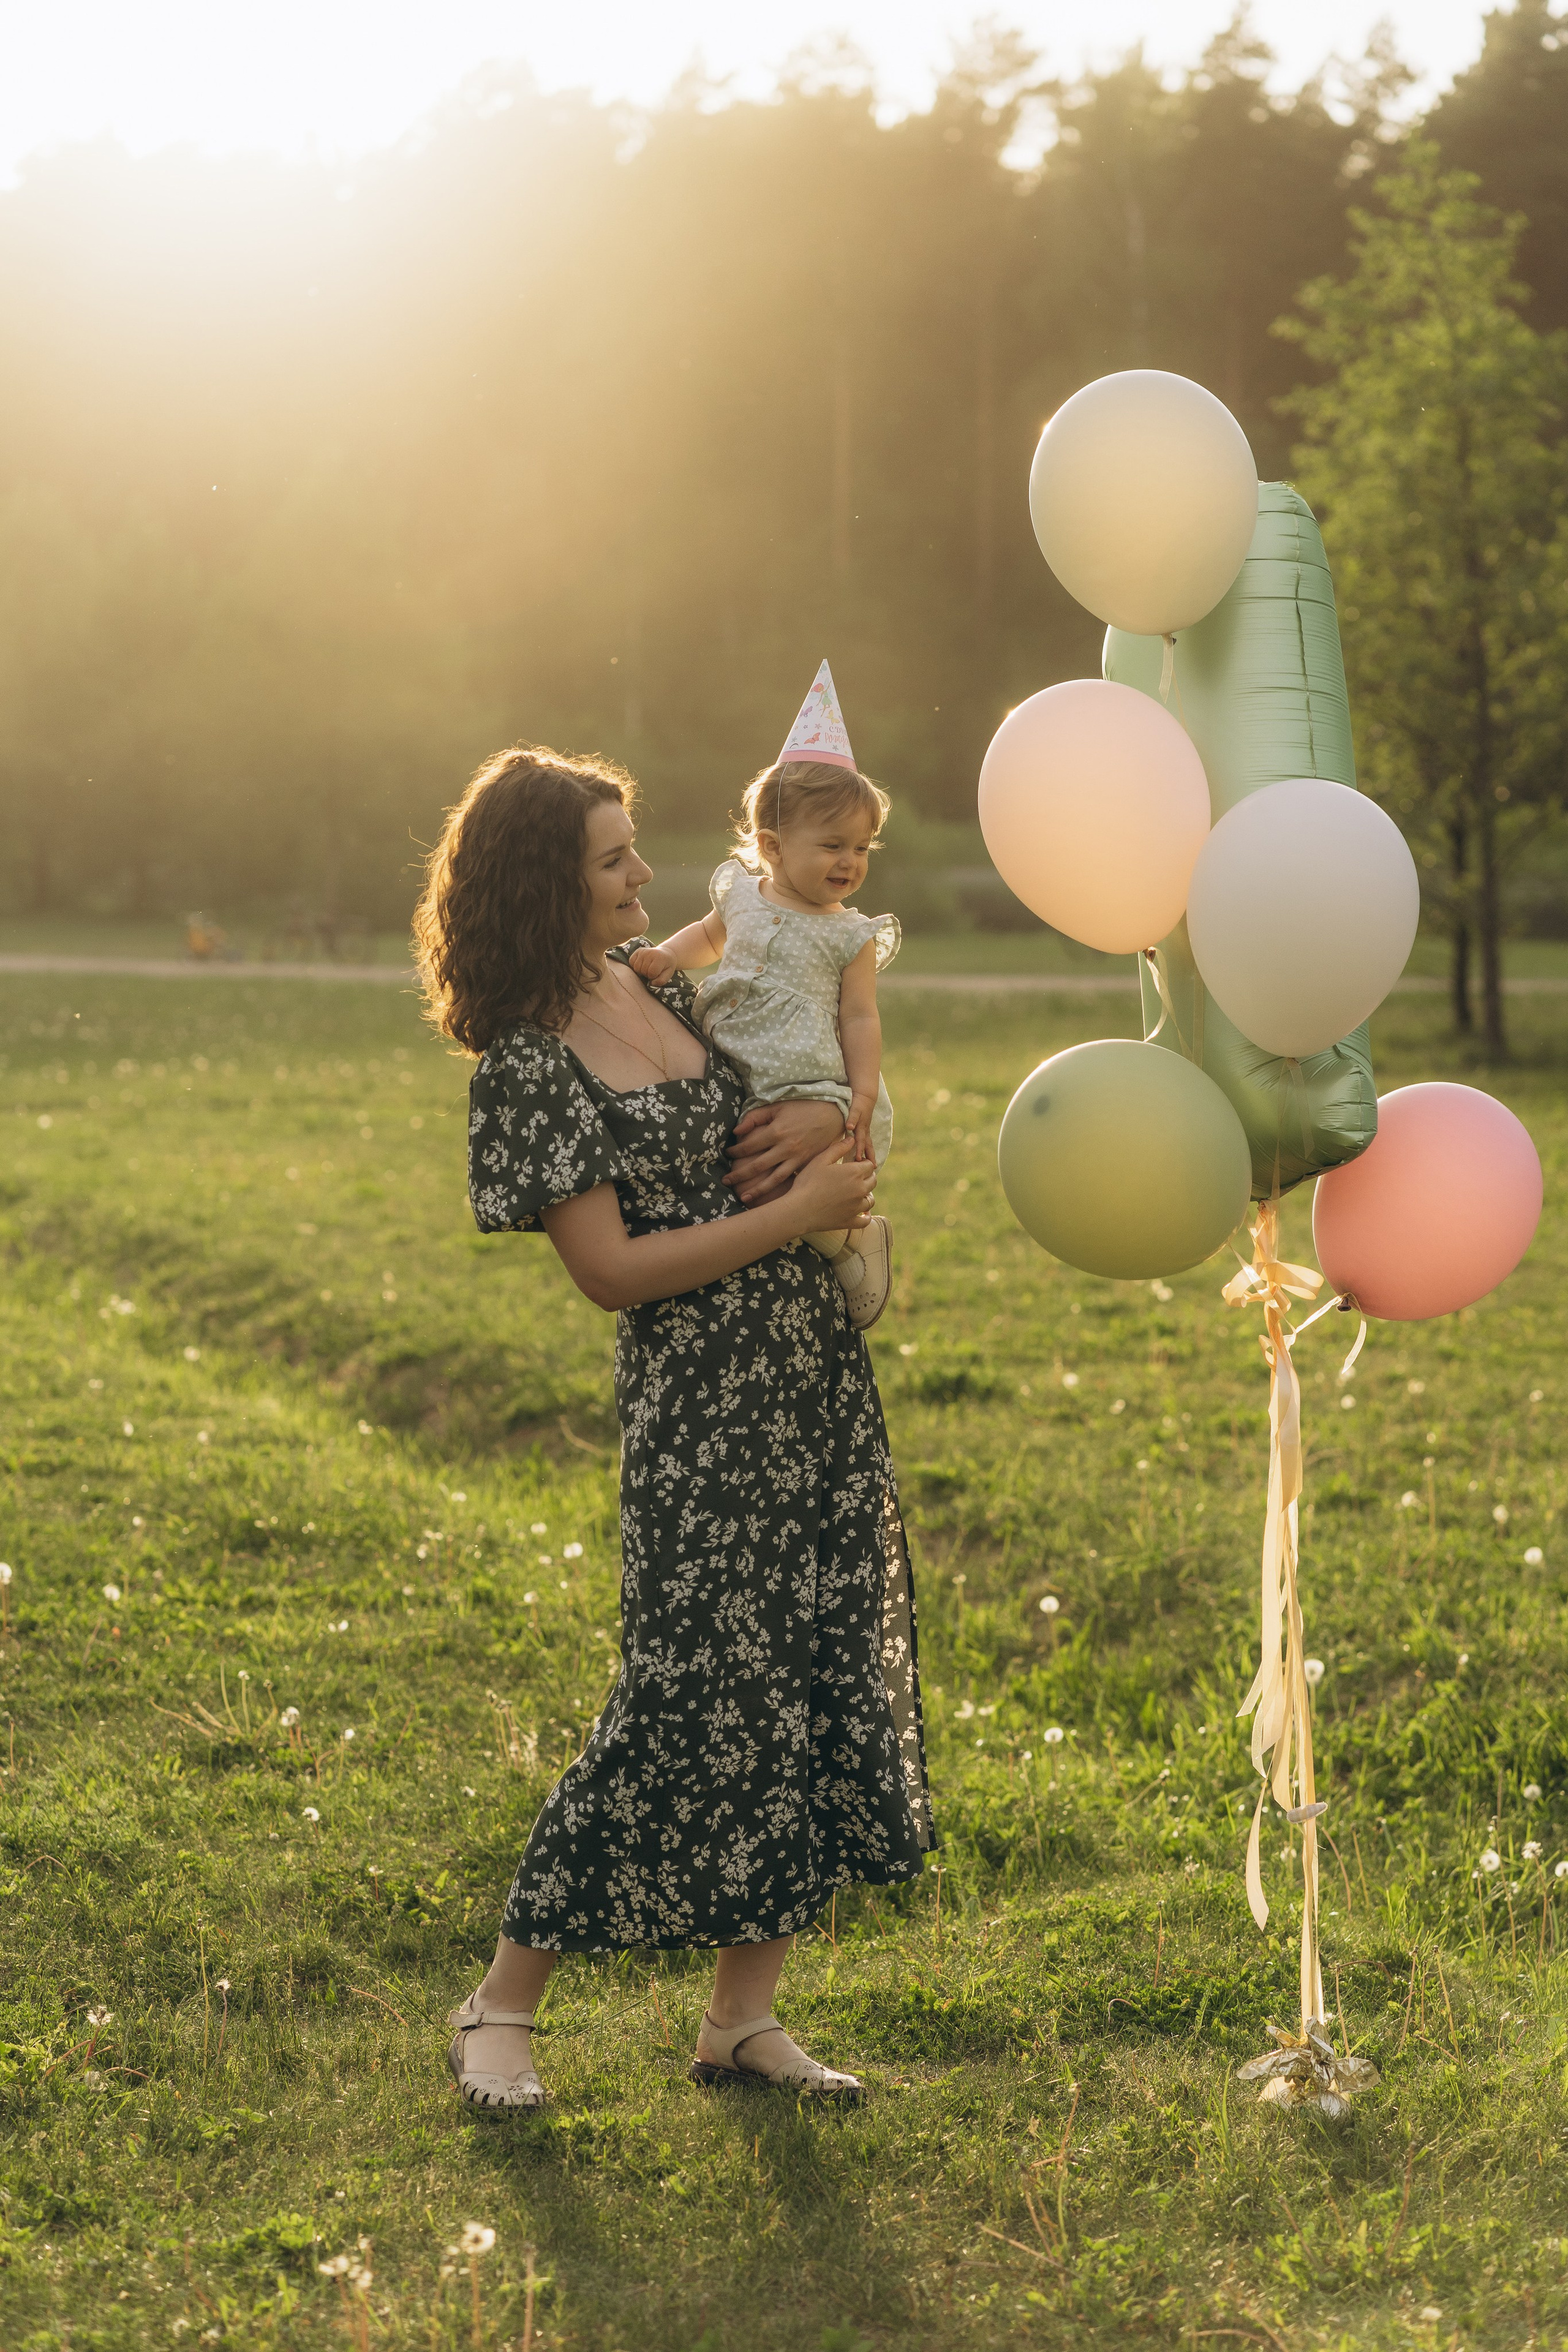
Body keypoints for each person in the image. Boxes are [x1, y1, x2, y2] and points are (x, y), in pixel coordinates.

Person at [412, 741, 935, 2113]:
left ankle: (739, 2023)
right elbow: (610, 1274)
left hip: (809, 1380)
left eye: (636, 849)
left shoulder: (672, 990)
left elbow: (805, 1059)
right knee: (679, 1694)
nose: (646, 874)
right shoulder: (527, 1066)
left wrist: (832, 1113)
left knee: (806, 1676)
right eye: (612, 858)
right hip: (698, 1409)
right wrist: (791, 1216)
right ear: (547, 883)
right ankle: (501, 2008)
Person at [630, 660, 898, 1332]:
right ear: (773, 847)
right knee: (750, 1170)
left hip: (806, 1080)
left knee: (791, 1178)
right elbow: (706, 935)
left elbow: (859, 1016)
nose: (850, 862)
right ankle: (821, 1245)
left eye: (862, 847)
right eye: (833, 844)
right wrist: (667, 955)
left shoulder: (850, 935)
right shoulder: (742, 898)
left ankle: (851, 1242)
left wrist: (860, 1093)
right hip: (737, 1068)